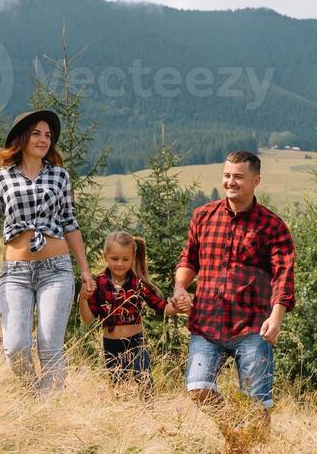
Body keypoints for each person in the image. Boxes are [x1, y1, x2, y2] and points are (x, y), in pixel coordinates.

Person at [0, 109, 95, 392]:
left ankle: (47, 410)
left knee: (50, 346)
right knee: (15, 347)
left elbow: (69, 222)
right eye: (37, 133)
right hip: (15, 273)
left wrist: (85, 269)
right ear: (23, 137)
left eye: (48, 135)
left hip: (56, 269)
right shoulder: (0, 179)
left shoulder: (60, 177)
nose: (44, 140)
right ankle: (33, 397)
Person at [172, 151, 295, 426]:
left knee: (256, 403)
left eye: (238, 176)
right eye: (227, 175)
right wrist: (180, 287)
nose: (231, 182)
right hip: (207, 325)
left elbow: (283, 276)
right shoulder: (203, 216)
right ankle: (237, 430)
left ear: (255, 181)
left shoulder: (272, 227)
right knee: (198, 389)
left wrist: (276, 318)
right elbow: (189, 259)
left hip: (251, 327)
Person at [78, 231, 177, 387]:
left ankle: (147, 410)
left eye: (125, 259)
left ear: (132, 258)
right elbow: (88, 319)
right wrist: (83, 299)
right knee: (119, 387)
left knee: (144, 383)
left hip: (136, 342)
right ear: (105, 257)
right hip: (110, 344)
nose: (120, 264)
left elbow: (163, 308)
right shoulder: (99, 284)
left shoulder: (138, 284)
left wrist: (177, 306)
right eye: (114, 259)